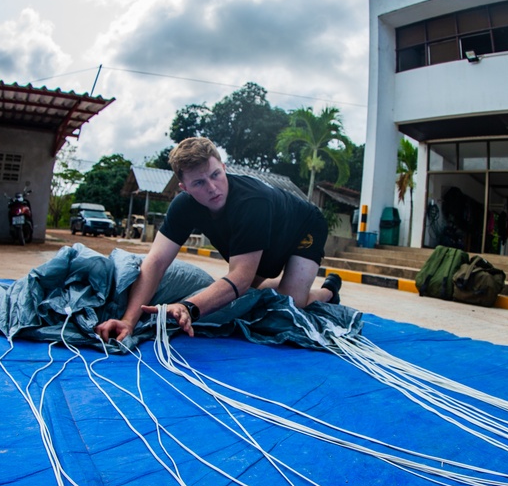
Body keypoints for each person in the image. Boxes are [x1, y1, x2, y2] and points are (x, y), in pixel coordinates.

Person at [96, 137, 341, 343]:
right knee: (247, 299)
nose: (212, 188)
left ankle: (328, 291)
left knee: (289, 305)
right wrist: (129, 320)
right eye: (199, 183)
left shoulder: (251, 202)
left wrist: (188, 307)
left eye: (215, 174)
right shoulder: (183, 207)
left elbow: (240, 278)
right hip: (261, 245)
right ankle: (289, 282)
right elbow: (156, 261)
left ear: (223, 167)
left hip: (302, 227)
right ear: (185, 188)